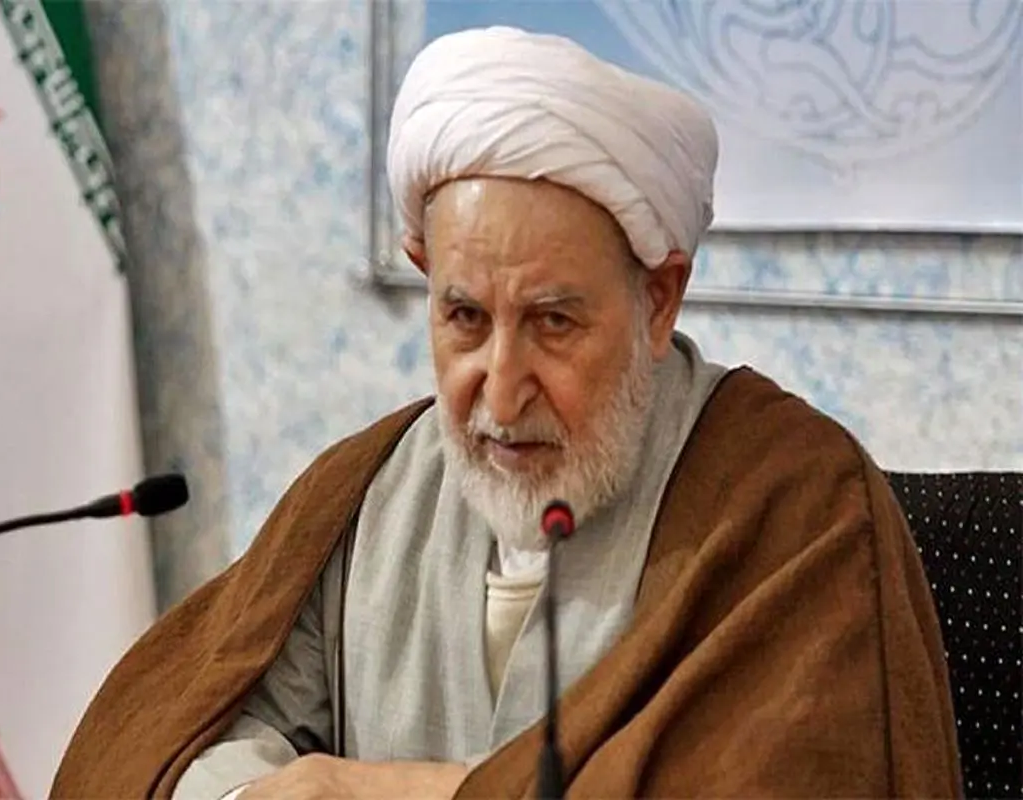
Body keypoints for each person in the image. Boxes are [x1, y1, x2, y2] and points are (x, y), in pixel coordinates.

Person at [51, 26, 961, 799]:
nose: (500, 388)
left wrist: (366, 787)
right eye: (464, 319)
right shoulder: (368, 494)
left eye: (553, 322)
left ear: (659, 300)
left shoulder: (795, 502)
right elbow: (185, 740)